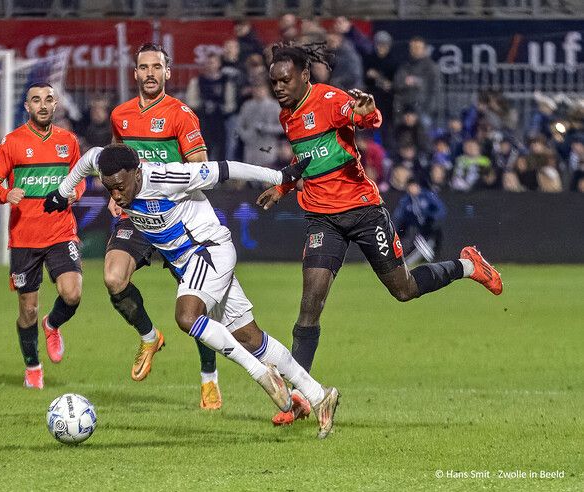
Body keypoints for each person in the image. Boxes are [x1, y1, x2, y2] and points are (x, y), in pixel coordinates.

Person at [257, 43, 504, 426]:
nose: (278, 87)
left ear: (305, 75)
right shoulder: (288, 114)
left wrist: (367, 111)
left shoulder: (330, 99)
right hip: (323, 219)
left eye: (284, 80)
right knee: (310, 304)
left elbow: (362, 119)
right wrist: (284, 187)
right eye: (273, 81)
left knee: (403, 289)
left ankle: (467, 266)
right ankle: (301, 395)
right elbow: (305, 157)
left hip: (362, 211)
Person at [44, 143, 341, 439]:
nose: (116, 196)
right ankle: (319, 395)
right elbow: (87, 159)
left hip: (209, 250)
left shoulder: (168, 178)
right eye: (109, 189)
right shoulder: (107, 164)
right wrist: (61, 191)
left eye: (120, 187)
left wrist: (279, 178)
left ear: (137, 173)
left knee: (186, 316)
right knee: (250, 337)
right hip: (190, 263)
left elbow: (225, 168)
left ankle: (261, 374)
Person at [107, 43, 223, 410]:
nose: (151, 73)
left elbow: (201, 168)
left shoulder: (181, 114)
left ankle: (209, 380)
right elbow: (114, 161)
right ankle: (149, 336)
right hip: (137, 216)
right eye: (144, 67)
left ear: (168, 72)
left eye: (157, 66)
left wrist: (164, 183)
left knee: (196, 306)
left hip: (178, 219)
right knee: (113, 278)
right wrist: (115, 190)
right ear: (136, 73)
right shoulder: (121, 116)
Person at [0, 82, 85, 390]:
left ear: (56, 105)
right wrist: (5, 193)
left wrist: (74, 194)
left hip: (60, 232)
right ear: (27, 107)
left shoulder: (68, 141)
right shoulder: (12, 142)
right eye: (36, 100)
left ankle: (52, 324)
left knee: (73, 293)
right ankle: (33, 367)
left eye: (49, 99)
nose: (43, 105)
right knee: (27, 309)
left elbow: (79, 180)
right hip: (25, 238)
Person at [392, 178, 446, 266]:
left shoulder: (427, 196)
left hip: (430, 228)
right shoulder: (406, 200)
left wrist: (433, 218)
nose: (412, 189)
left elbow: (440, 209)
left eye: (414, 186)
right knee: (411, 240)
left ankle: (430, 259)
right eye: (410, 186)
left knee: (430, 244)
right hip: (417, 230)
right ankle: (404, 261)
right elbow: (399, 215)